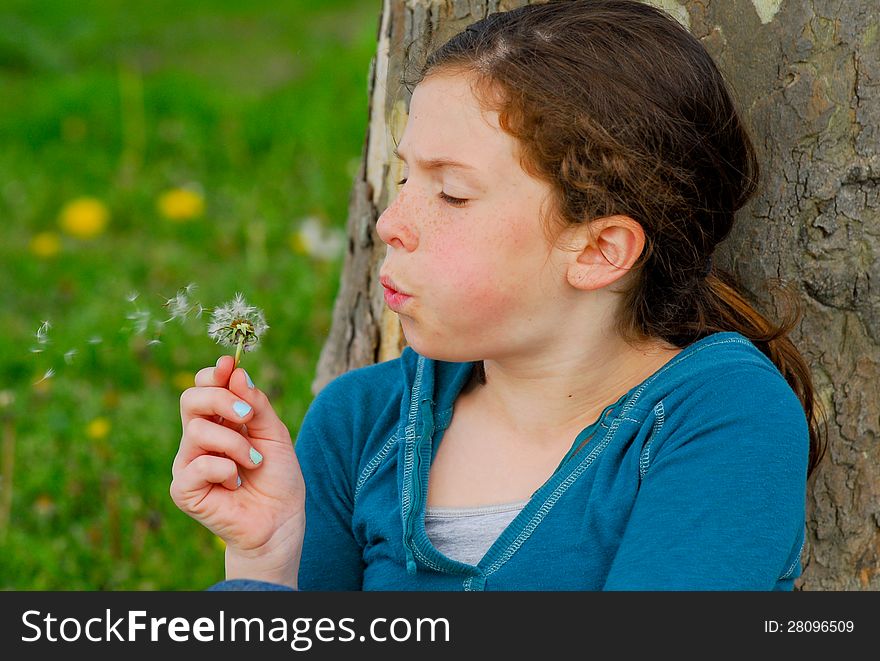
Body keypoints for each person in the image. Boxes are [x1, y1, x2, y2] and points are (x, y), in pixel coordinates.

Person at [170, 0, 825, 591]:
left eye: (451, 193)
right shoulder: (358, 424)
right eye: (403, 175)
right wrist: (264, 559)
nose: (389, 222)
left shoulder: (720, 419)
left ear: (599, 251)